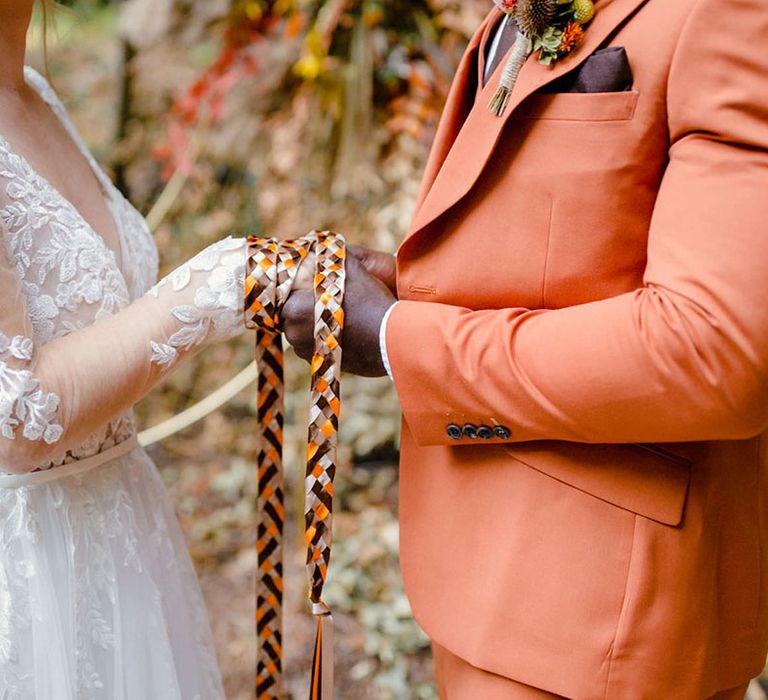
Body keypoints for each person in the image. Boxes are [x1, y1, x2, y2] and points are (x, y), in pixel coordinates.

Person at [283, 0, 768, 698]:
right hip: (484, 575)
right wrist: (409, 291)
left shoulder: (725, 14)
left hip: (605, 625)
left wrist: (397, 339)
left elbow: (712, 351)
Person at [0, 0, 322, 695]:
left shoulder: (32, 90)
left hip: (122, 532)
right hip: (29, 576)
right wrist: (219, 286)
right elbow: (17, 421)